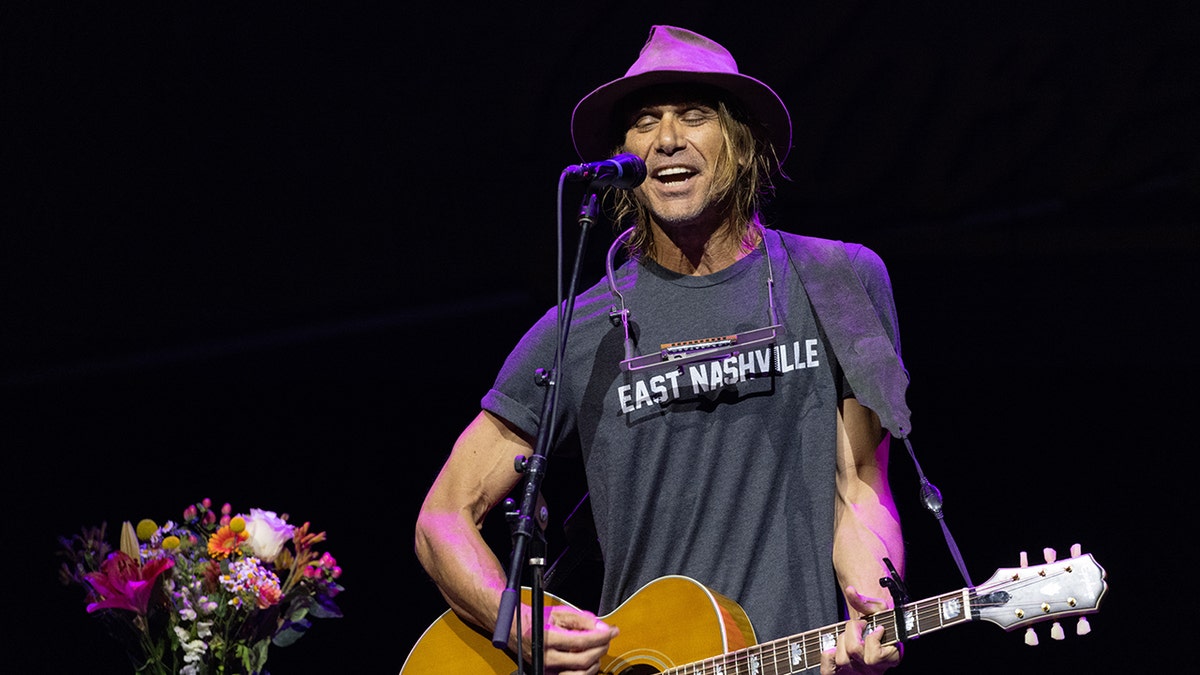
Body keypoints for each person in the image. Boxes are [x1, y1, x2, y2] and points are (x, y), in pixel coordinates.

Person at [415, 25, 909, 675]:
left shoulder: (839, 281)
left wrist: (873, 604)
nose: (667, 138)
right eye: (645, 121)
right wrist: (517, 620)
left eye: (694, 115)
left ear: (743, 140)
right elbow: (443, 516)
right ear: (625, 153)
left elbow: (861, 485)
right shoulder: (583, 324)